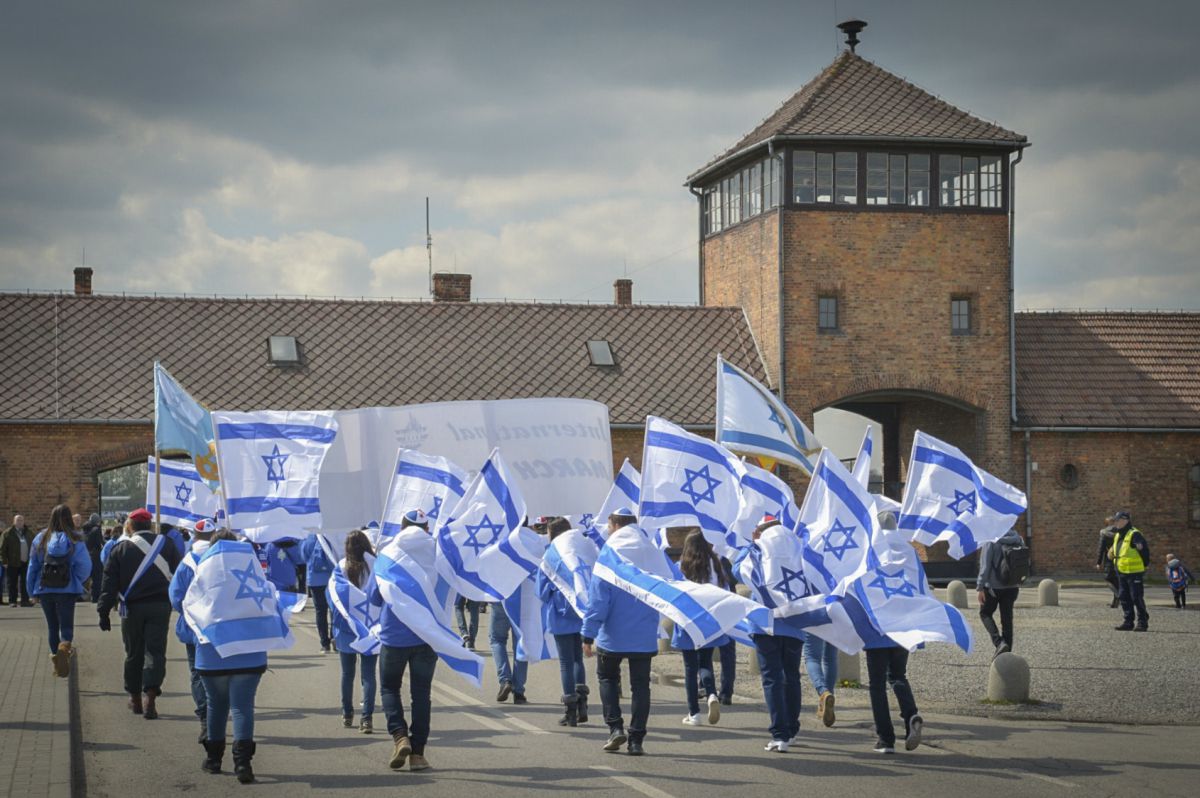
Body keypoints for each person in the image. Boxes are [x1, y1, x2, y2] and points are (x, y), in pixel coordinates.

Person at [190, 530, 273, 783]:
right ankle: (243, 764)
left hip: (211, 652)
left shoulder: (199, 568)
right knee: (242, 707)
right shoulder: (252, 568)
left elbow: (184, 602)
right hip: (249, 651)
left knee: (216, 705)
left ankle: (214, 759)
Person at [581, 508, 660, 756]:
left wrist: (588, 634)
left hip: (612, 635)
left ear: (615, 525)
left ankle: (615, 728)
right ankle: (636, 739)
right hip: (644, 634)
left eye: (608, 526)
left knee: (607, 679)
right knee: (641, 687)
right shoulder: (652, 552)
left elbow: (598, 600)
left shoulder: (609, 553)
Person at [97, 507, 182, 718]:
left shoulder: (120, 548)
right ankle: (150, 695)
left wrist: (103, 611)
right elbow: (178, 575)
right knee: (155, 652)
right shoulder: (167, 544)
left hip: (131, 608)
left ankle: (135, 697)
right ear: (150, 525)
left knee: (133, 652)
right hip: (160, 606)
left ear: (130, 525)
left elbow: (109, 583)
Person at [370, 509, 437, 771]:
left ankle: (400, 736)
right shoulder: (437, 553)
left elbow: (374, 597)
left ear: (401, 527)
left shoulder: (388, 553)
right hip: (426, 634)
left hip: (394, 635)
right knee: (421, 694)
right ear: (427, 529)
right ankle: (418, 755)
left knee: (389, 688)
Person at [733, 515, 805, 752]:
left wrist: (751, 544)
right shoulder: (797, 548)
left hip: (765, 623)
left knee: (772, 679)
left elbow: (738, 570)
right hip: (794, 622)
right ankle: (792, 730)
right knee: (792, 677)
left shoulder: (759, 549)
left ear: (760, 531)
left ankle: (779, 734)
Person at [536, 516, 589, 726]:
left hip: (559, 615)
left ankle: (571, 711)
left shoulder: (551, 555)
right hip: (581, 613)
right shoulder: (581, 549)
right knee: (578, 659)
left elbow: (540, 591)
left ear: (553, 534)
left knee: (566, 662)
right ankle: (583, 704)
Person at [28, 505, 92, 677]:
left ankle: (56, 662)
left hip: (44, 588)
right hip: (67, 589)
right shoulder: (75, 538)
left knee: (52, 626)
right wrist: (76, 580)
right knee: (66, 625)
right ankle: (64, 647)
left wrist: (31, 591)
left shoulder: (41, 538)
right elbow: (85, 566)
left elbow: (33, 566)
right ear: (69, 518)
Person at [169, 518, 216, 742]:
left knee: (197, 672)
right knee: (222, 674)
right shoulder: (222, 559)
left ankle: (206, 718)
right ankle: (218, 714)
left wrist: (190, 614)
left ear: (195, 536)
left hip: (193, 626)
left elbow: (176, 596)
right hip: (219, 626)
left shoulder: (187, 561)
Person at [674, 531, 725, 727]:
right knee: (705, 662)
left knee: (690, 667)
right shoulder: (715, 565)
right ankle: (711, 693)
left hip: (687, 620)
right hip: (710, 620)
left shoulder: (681, 566)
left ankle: (694, 713)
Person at [333, 530, 379, 733]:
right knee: (368, 675)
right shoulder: (376, 565)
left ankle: (347, 714)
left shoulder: (340, 566)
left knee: (347, 673)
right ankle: (367, 718)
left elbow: (333, 597)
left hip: (346, 626)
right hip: (370, 625)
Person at [864, 637, 923, 754]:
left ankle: (885, 739)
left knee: (877, 685)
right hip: (901, 635)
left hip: (876, 638)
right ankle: (911, 715)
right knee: (898, 676)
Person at [976, 528, 1023, 657]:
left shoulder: (990, 540)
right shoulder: (1018, 538)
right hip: (1012, 586)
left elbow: (985, 566)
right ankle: (1007, 655)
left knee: (985, 613)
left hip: (993, 587)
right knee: (1007, 619)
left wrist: (980, 587)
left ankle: (999, 643)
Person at [1109, 511, 1150, 631]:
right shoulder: (1118, 534)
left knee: (1136, 597)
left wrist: (1145, 565)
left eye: (1117, 520)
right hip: (1121, 571)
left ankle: (1142, 622)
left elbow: (1144, 551)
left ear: (1125, 520)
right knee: (1124, 597)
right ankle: (1128, 622)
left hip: (1134, 572)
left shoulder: (1135, 534)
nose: (1115, 523)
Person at [300, 532, 335, 653]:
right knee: (334, 610)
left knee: (320, 611)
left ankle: (324, 644)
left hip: (315, 579)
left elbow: (303, 556)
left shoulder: (309, 537)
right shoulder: (331, 535)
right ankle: (335, 638)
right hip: (332, 578)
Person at [490, 599, 528, 704]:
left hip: (500, 599)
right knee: (520, 644)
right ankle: (519, 692)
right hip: (521, 600)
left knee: (497, 640)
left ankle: (505, 680)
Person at [802, 634, 837, 728]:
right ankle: (828, 698)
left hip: (813, 624)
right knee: (831, 658)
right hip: (834, 624)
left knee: (812, 657)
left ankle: (823, 692)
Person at [2, 514, 36, 606]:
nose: (20, 522)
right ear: (14, 522)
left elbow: (35, 545)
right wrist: (4, 561)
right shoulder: (8, 533)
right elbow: (2, 548)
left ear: (24, 522)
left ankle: (25, 601)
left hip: (26, 562)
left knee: (25, 582)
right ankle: (12, 601)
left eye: (21, 520)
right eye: (18, 520)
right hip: (12, 562)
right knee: (12, 583)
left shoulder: (29, 533)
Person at [1095, 517, 1120, 608]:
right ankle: (1115, 601)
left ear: (1106, 524)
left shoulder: (1104, 533)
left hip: (1109, 559)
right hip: (1121, 559)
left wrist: (1098, 562)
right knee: (1116, 580)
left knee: (1108, 579)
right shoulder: (1120, 532)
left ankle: (1118, 595)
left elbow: (1101, 549)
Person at [83, 514, 104, 603]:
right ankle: (95, 597)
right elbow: (100, 543)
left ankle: (82, 596)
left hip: (86, 556)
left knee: (85, 577)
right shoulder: (96, 530)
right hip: (95, 557)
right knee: (97, 578)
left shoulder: (84, 530)